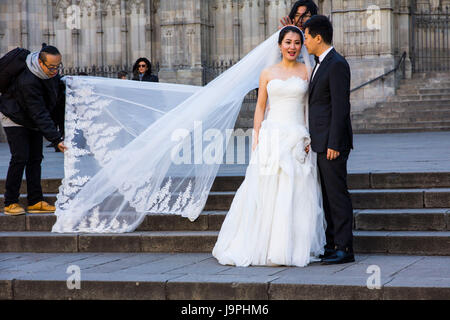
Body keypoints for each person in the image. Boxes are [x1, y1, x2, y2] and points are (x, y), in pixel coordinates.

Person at [212, 26, 326, 267]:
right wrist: (257, 137)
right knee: (265, 191)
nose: (293, 46)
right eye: (288, 42)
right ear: (279, 45)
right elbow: (261, 108)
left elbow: (308, 108)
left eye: (297, 42)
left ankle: (290, 246)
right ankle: (261, 244)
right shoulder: (267, 73)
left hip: (296, 135)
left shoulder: (308, 71)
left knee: (295, 191)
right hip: (272, 135)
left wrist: (308, 137)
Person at [303, 15, 354, 264]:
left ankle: (345, 248)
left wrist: (334, 143)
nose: (304, 42)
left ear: (318, 37)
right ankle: (333, 244)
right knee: (328, 194)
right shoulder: (320, 63)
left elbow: (341, 107)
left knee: (337, 195)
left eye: (306, 37)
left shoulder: (336, 64)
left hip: (332, 144)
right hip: (321, 142)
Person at [0, 44, 67, 216]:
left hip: (32, 118)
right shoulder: (28, 81)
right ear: (40, 62)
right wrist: (56, 139)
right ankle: (10, 202)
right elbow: (39, 112)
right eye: (51, 67)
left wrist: (61, 132)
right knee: (20, 157)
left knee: (36, 158)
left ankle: (35, 200)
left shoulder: (51, 75)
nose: (54, 70)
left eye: (58, 66)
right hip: (14, 116)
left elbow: (56, 103)